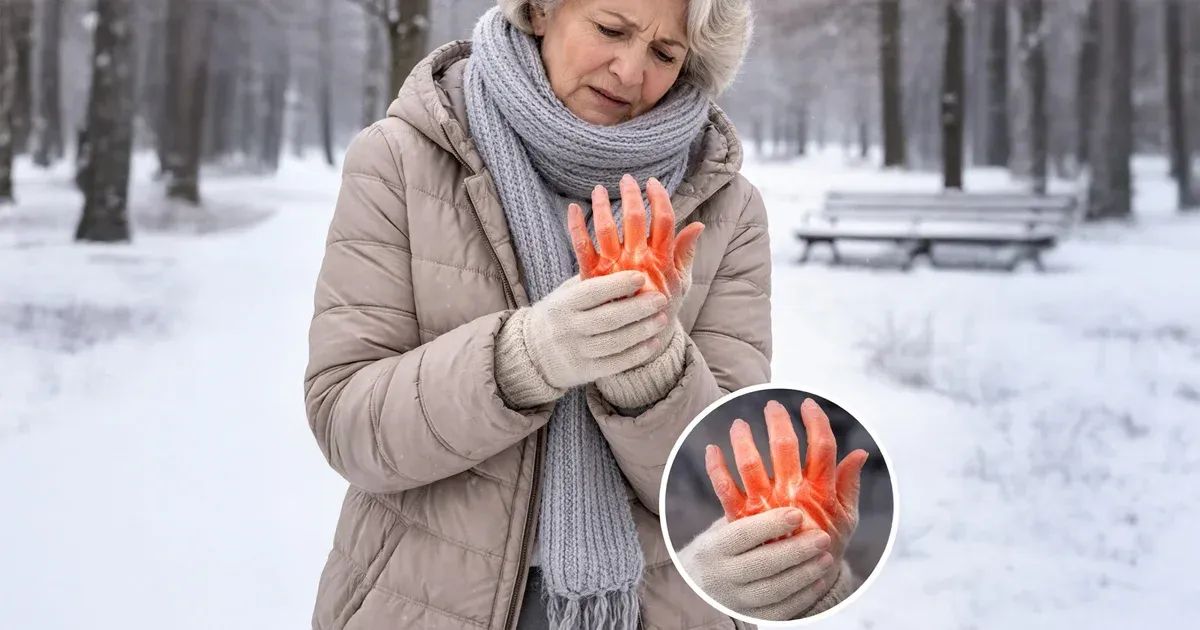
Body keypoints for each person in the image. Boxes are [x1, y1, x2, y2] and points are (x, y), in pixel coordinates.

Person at [303, 0, 780, 628]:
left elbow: (727, 493)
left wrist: (650, 369)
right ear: (540, 10)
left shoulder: (724, 206)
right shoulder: (399, 159)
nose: (631, 72)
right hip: (425, 602)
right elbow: (348, 423)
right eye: (611, 30)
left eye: (665, 54)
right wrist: (527, 358)